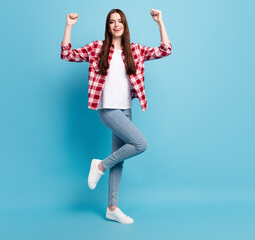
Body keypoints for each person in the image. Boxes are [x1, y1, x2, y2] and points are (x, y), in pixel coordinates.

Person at [60, 8, 172, 224]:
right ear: (108, 26)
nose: (116, 25)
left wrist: (160, 22)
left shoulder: (135, 50)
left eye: (120, 21)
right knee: (140, 143)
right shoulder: (97, 48)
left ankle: (112, 208)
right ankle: (100, 166)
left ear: (125, 25)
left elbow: (165, 50)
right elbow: (67, 54)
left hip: (126, 109)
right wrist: (69, 26)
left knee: (119, 160)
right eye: (112, 22)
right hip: (107, 109)